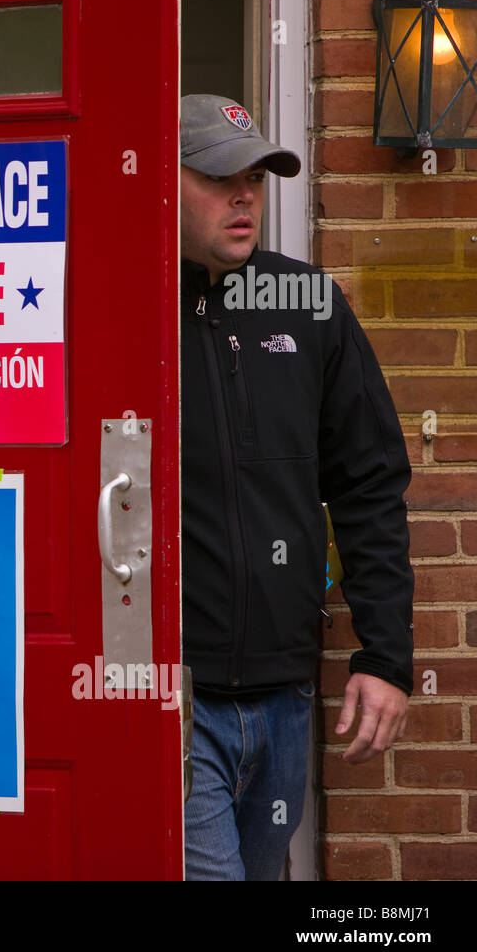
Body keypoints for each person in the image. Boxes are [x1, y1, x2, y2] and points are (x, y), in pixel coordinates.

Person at [179, 94, 415, 881]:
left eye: (256, 176)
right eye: (218, 178)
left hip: (284, 693)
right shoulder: (122, 310)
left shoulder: (308, 303)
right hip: (172, 700)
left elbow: (370, 484)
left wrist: (385, 655)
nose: (244, 195)